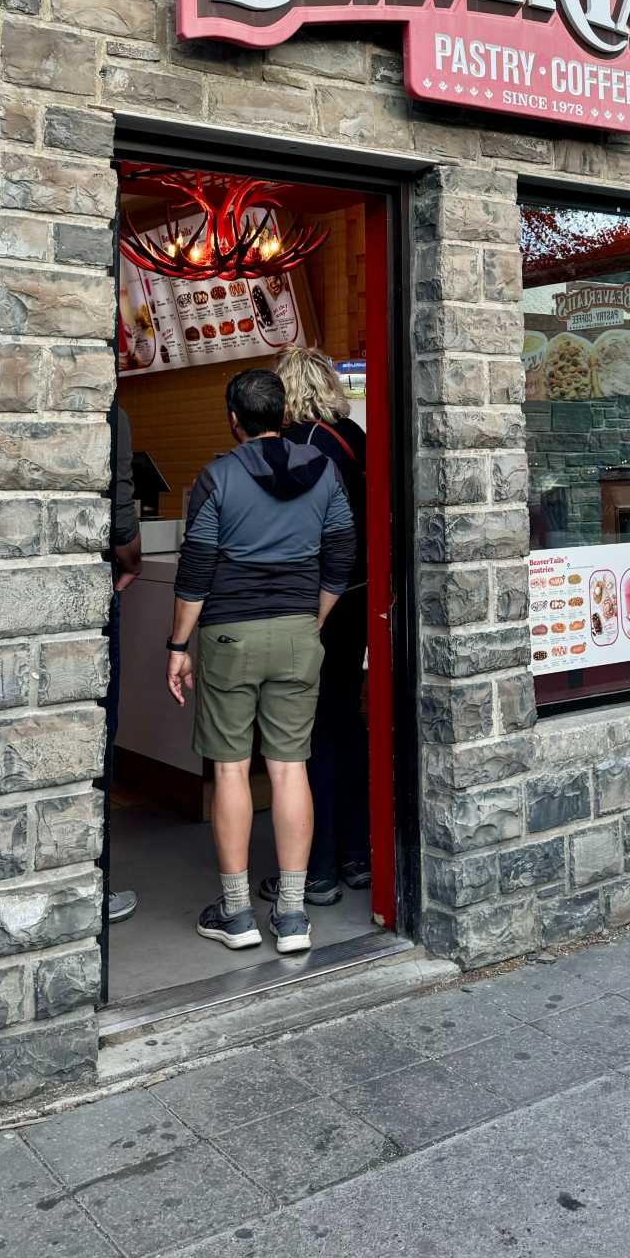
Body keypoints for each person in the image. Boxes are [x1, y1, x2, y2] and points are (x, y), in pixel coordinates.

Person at [167, 368, 355, 955]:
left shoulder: (218, 477)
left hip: (229, 636)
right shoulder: (323, 470)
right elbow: (342, 553)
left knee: (229, 768)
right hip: (299, 631)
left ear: (233, 418)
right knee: (289, 766)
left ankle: (237, 913)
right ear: (283, 414)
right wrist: (316, 617)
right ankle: (294, 916)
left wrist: (177, 646)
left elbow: (195, 570)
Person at [256, 349, 370, 908]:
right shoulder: (355, 437)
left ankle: (316, 869)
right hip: (359, 600)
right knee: (348, 722)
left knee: (305, 734)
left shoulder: (296, 451)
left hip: (312, 604)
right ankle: (357, 856)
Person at [106, 402, 142, 924]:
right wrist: (131, 557)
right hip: (97, 581)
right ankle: (96, 881)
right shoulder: (113, 411)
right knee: (98, 728)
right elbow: (121, 498)